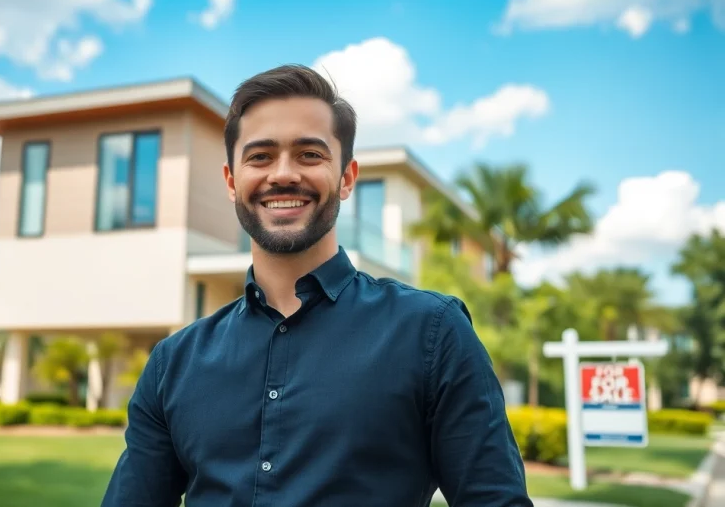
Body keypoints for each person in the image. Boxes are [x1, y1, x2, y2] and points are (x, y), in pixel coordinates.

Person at [100, 64, 533, 507]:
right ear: (232, 181)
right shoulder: (173, 363)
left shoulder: (433, 332)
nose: (283, 174)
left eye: (309, 154)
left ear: (347, 178)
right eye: (260, 156)